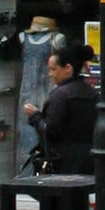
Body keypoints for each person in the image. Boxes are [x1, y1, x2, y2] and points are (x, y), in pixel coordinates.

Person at [22, 42, 97, 176]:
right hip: (88, 160)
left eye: (53, 69)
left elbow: (49, 130)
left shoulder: (60, 96)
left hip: (62, 162)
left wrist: (34, 115)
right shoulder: (91, 93)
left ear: (67, 68)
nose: (50, 74)